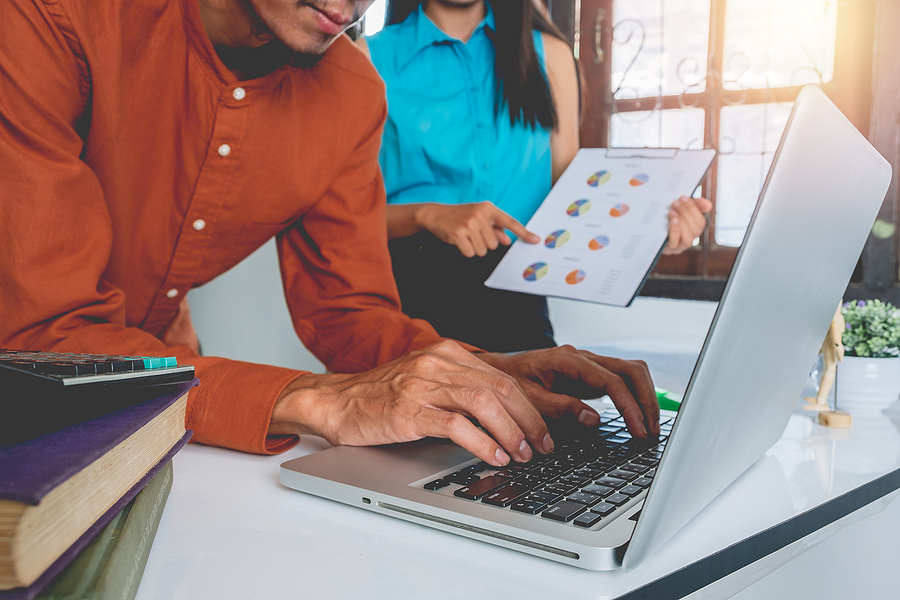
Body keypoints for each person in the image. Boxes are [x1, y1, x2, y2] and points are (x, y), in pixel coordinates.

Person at [0, 0, 659, 467]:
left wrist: (482, 370)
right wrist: (320, 402)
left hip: (155, 381)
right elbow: (41, 340)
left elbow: (348, 313)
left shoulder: (353, 93)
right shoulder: (52, 17)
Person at [358, 0, 713, 352]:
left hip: (517, 309)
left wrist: (654, 229)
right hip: (405, 300)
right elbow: (341, 216)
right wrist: (429, 215)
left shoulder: (549, 54)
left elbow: (574, 201)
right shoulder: (367, 56)